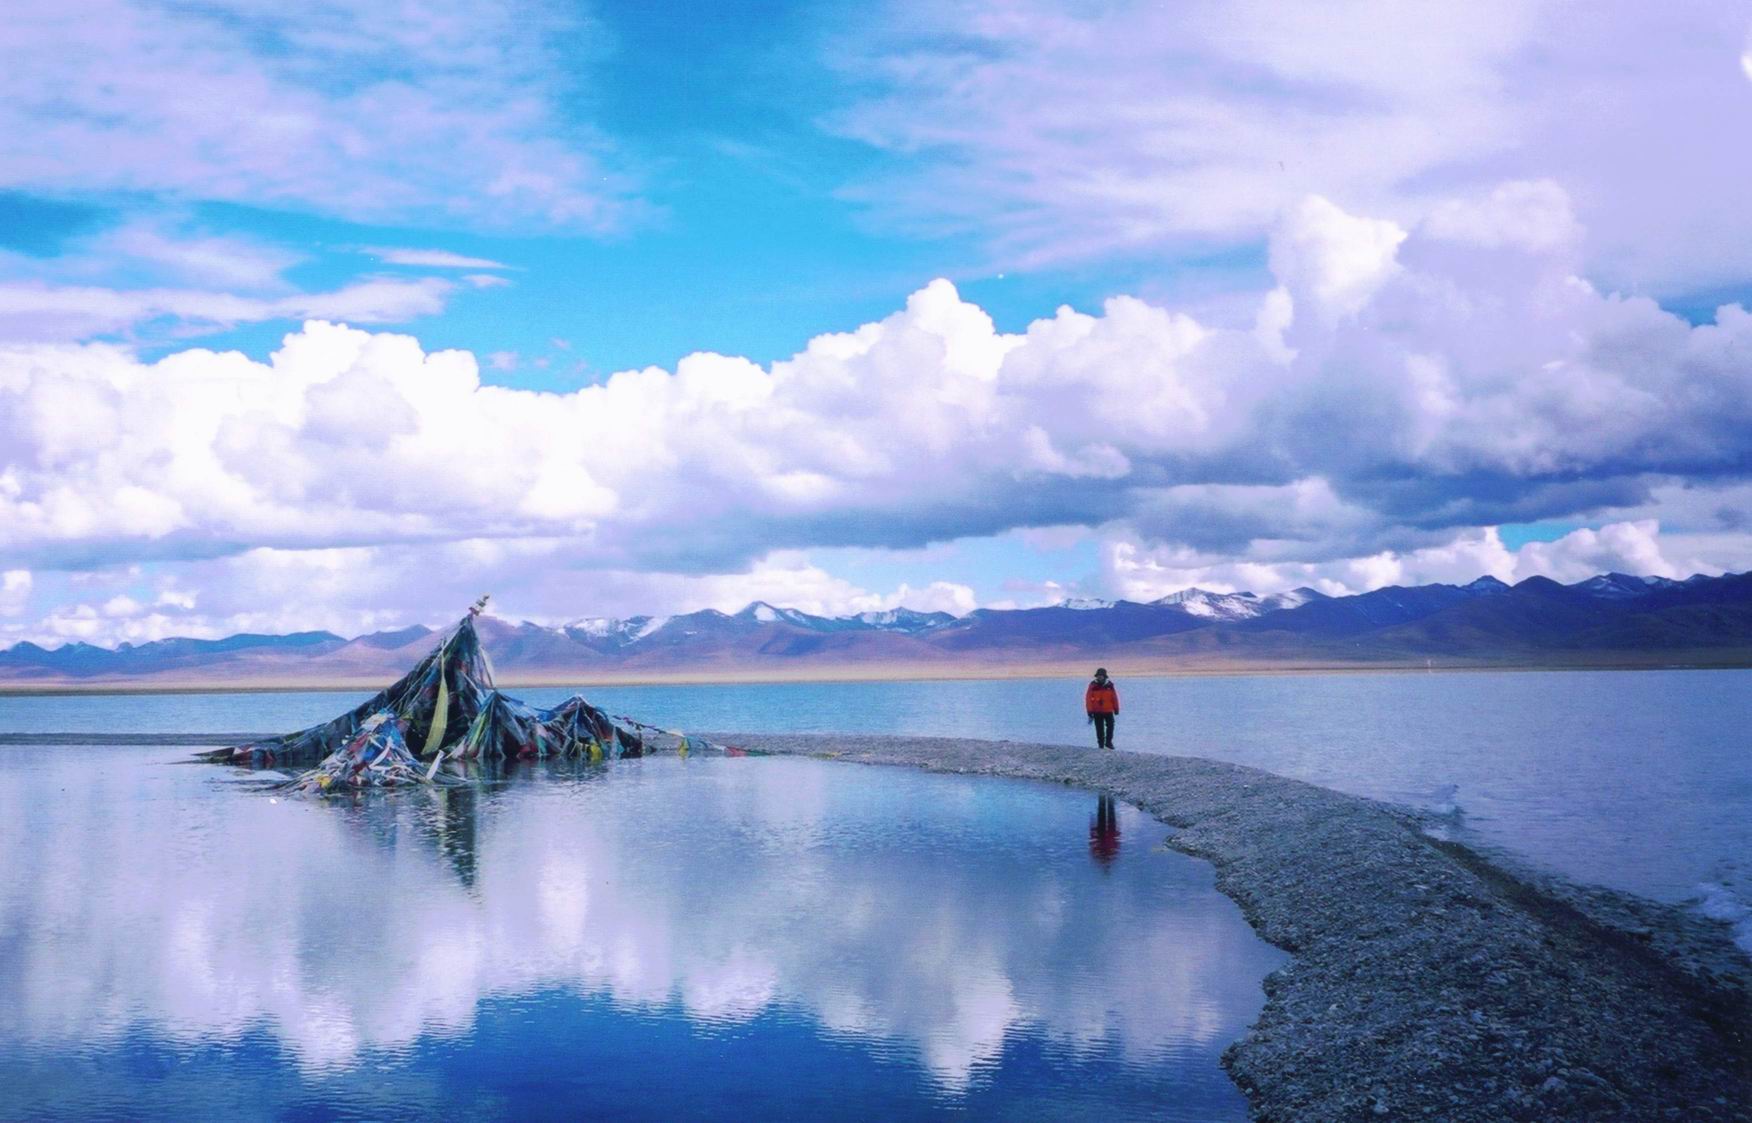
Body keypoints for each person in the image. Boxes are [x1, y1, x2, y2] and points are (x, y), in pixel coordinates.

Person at [1084, 667, 1119, 749]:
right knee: (1099, 729)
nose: (1100, 677)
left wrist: (1116, 709)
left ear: (1104, 676)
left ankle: (1108, 742)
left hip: (1108, 710)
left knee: (1110, 726)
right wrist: (1089, 711)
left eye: (1101, 675)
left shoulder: (1110, 685)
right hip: (1097, 711)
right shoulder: (1092, 685)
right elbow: (1088, 698)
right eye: (1098, 675)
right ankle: (1101, 744)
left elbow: (1114, 697)